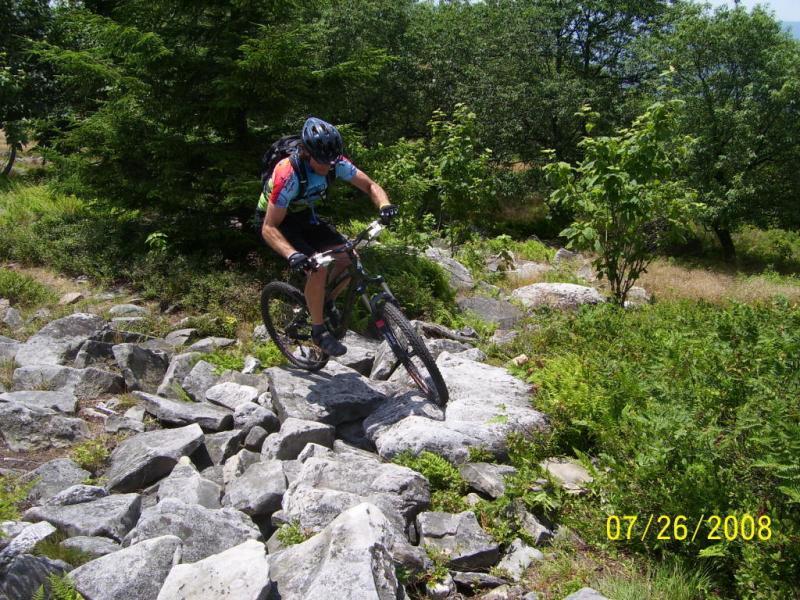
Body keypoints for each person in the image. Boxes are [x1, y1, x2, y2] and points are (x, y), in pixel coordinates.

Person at [259, 117, 398, 357]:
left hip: (305, 214)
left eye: (331, 162)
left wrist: (384, 204)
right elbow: (268, 227)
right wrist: (293, 255)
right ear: (306, 153)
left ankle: (324, 301)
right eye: (322, 162)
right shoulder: (287, 174)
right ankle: (318, 330)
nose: (327, 167)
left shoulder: (335, 162)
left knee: (349, 258)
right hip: (279, 220)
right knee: (317, 268)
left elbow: (369, 186)